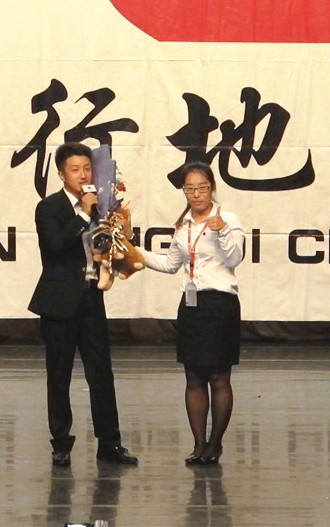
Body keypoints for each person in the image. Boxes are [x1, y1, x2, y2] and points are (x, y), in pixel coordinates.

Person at [29, 142, 138, 467]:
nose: (83, 175)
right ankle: (61, 443)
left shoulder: (102, 207)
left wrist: (120, 228)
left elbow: (114, 245)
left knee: (101, 373)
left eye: (87, 168)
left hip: (91, 297)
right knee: (59, 374)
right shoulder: (49, 207)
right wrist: (83, 213)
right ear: (62, 174)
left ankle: (110, 444)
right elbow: (55, 246)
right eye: (75, 170)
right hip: (59, 301)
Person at [139, 162, 244, 465]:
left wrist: (222, 231)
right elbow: (171, 264)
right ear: (184, 191)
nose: (196, 194)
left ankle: (215, 443)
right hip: (191, 305)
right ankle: (198, 444)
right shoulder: (183, 224)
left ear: (212, 188)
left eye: (202, 188)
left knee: (219, 377)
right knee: (193, 376)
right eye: (190, 189)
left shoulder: (228, 219)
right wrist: (136, 253)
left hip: (220, 304)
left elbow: (234, 258)